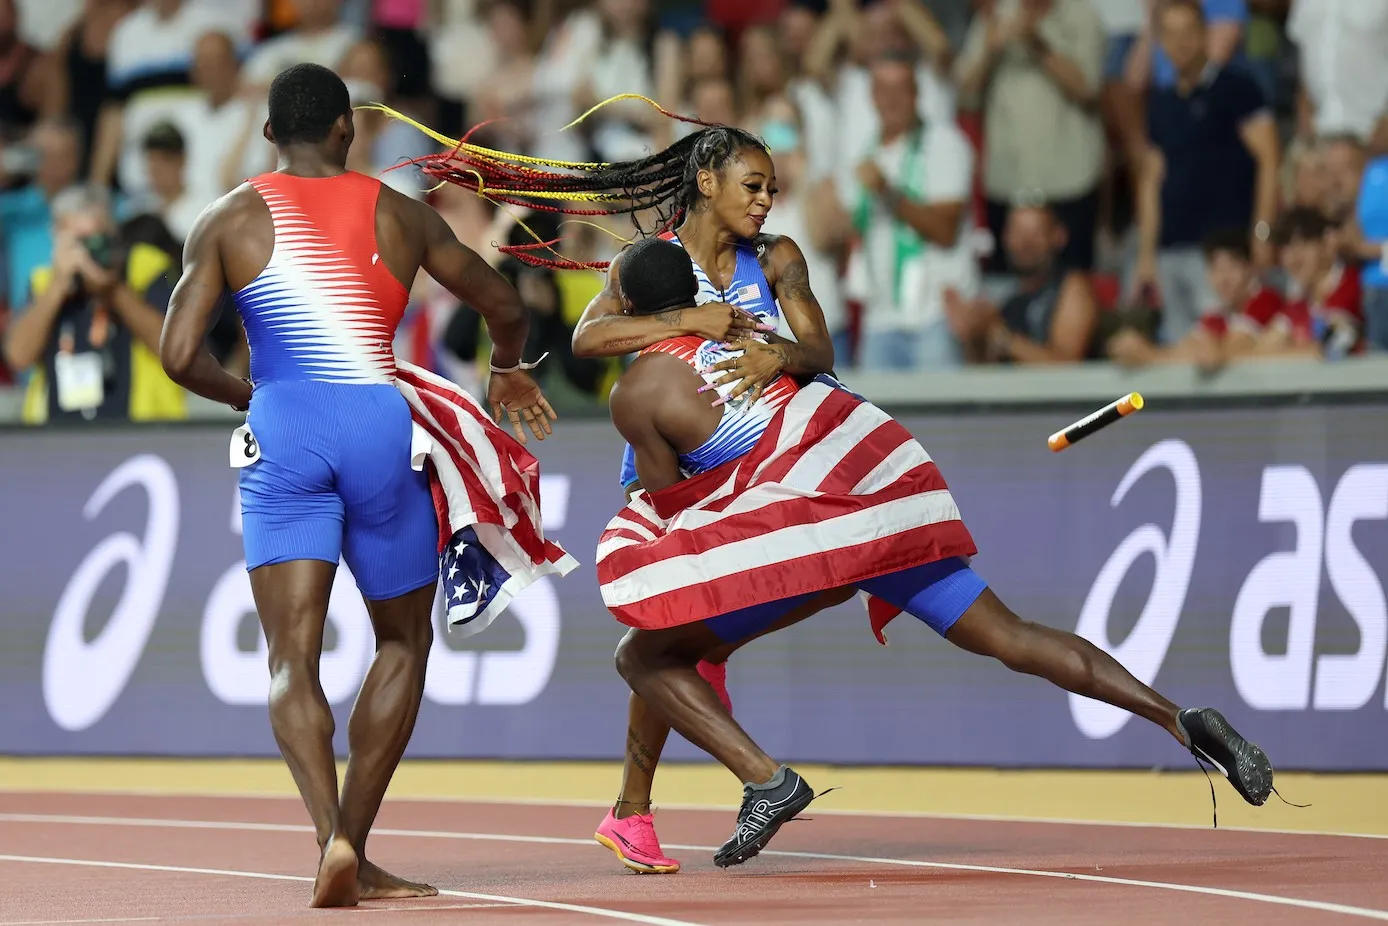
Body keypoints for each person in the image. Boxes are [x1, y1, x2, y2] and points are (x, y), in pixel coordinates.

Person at [594, 235, 1277, 871]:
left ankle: (765, 780)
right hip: (875, 491)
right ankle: (1178, 719)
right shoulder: (750, 329)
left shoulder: (639, 392)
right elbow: (815, 364)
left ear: (628, 306)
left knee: (644, 653)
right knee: (1011, 635)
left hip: (818, 537)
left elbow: (679, 509)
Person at [376, 102, 847, 872]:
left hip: (753, 470)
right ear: (707, 181)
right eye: (753, 185)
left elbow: (820, 350)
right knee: (667, 640)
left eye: (771, 188)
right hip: (666, 472)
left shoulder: (777, 257)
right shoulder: (653, 262)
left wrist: (777, 357)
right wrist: (687, 321)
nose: (766, 201)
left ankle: (653, 798)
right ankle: (643, 806)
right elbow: (589, 336)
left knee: (679, 646)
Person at [158, 63, 555, 908]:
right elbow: (503, 302)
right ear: (348, 128)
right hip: (379, 425)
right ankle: (356, 845)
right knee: (403, 643)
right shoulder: (401, 215)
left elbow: (178, 355)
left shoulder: (227, 218)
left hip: (284, 428)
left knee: (290, 658)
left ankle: (329, 840)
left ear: (270, 132)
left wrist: (247, 396)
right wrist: (509, 368)